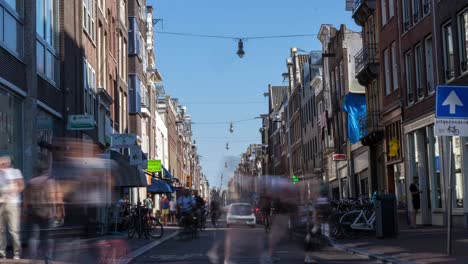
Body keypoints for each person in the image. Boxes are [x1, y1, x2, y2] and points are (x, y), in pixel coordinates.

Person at [23, 153, 57, 263]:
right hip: (48, 213)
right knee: (47, 238)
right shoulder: (50, 182)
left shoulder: (31, 182)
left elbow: (26, 199)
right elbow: (53, 197)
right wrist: (56, 210)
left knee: (33, 237)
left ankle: (32, 260)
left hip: (33, 212)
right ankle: (48, 260)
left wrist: (24, 212)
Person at [0, 156, 24, 260]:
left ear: (7, 163)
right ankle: (2, 253)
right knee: (0, 230)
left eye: (2, 163)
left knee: (14, 229)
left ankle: (17, 252)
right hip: (1, 203)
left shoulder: (15, 172)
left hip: (13, 203)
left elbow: (21, 186)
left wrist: (12, 192)